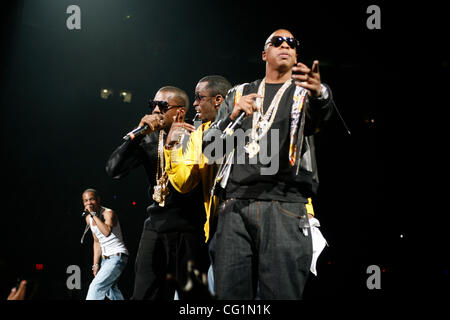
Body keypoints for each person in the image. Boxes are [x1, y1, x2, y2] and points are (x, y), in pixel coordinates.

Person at [202, 29, 335, 299]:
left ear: (297, 54)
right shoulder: (239, 93)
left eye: (292, 43)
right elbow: (210, 150)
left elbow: (318, 119)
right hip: (235, 206)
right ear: (265, 53)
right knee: (230, 298)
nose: (285, 45)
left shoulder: (303, 93)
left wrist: (320, 93)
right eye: (277, 41)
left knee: (280, 295)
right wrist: (234, 115)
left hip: (284, 206)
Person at [105, 86, 209, 300]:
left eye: (162, 106)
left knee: (193, 297)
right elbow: (113, 170)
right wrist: (138, 133)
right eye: (152, 105)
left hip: (190, 228)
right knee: (145, 293)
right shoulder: (149, 139)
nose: (155, 111)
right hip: (156, 225)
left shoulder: (196, 134)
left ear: (180, 111)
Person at [163, 75, 232, 294]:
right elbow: (183, 182)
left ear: (218, 100)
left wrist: (306, 211)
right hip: (217, 230)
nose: (194, 104)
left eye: (199, 98)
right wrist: (171, 147)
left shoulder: (249, 124)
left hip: (257, 221)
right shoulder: (197, 135)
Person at [82, 188, 128, 300]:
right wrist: (96, 264)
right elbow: (97, 241)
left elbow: (106, 232)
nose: (89, 203)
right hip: (105, 259)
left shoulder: (108, 213)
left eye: (91, 199)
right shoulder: (88, 219)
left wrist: (93, 215)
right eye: (86, 200)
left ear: (98, 200)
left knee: (96, 287)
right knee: (111, 291)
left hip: (117, 256)